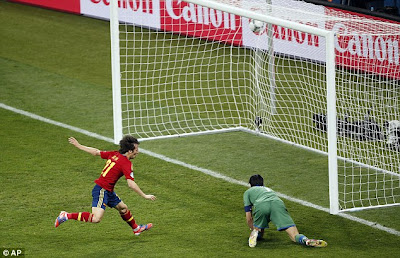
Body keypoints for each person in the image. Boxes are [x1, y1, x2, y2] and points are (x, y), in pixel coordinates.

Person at [54, 135, 156, 236]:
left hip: (108, 191)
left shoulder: (114, 154)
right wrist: (144, 195)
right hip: (101, 190)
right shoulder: (126, 163)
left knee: (123, 208)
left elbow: (96, 152)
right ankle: (66, 215)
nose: (137, 152)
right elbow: (131, 184)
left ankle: (136, 229)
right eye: (136, 149)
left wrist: (79, 145)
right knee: (96, 218)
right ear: (130, 151)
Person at [243, 174, 327, 248]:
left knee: (258, 230)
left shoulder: (248, 192)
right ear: (262, 183)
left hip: (261, 205)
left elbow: (249, 217)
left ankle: (255, 234)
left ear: (250, 184)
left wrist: (253, 228)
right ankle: (306, 240)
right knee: (294, 235)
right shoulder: (269, 190)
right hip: (278, 204)